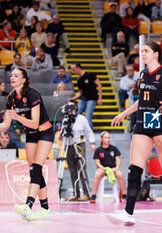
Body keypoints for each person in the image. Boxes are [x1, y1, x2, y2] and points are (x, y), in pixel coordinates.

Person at [107, 41, 162, 226]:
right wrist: (124, 113)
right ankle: (128, 212)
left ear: (156, 54)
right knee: (134, 168)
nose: (143, 53)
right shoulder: (143, 73)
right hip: (144, 121)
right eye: (142, 51)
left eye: (146, 51)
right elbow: (142, 100)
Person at [0, 68, 55, 221]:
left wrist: (17, 116)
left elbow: (35, 123)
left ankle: (28, 205)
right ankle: (45, 208)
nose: (12, 77)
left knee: (36, 167)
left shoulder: (32, 95)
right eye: (11, 75)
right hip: (31, 135)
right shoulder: (11, 99)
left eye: (16, 75)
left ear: (24, 79)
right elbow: (5, 125)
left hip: (44, 132)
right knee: (34, 170)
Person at [58, 102, 96, 201]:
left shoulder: (82, 119)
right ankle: (76, 194)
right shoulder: (65, 120)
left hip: (79, 145)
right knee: (72, 171)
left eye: (72, 107)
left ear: (76, 108)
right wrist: (60, 136)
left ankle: (87, 193)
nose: (70, 109)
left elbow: (89, 132)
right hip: (68, 145)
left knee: (82, 169)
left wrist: (92, 143)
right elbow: (62, 135)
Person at [90, 131, 127, 203]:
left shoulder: (114, 149)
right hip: (102, 169)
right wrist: (104, 169)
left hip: (113, 168)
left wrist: (116, 167)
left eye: (109, 138)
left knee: (120, 174)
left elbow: (118, 160)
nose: (107, 139)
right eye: (106, 138)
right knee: (97, 174)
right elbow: (97, 163)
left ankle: (124, 195)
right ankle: (93, 195)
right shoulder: (98, 150)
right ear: (102, 139)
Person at [69, 62, 103, 130]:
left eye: (73, 69)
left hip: (92, 99)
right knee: (75, 113)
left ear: (78, 68)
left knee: (87, 116)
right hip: (83, 99)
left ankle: (90, 134)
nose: (72, 71)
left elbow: (99, 85)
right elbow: (80, 92)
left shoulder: (90, 75)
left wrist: (100, 98)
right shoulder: (79, 80)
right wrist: (73, 98)